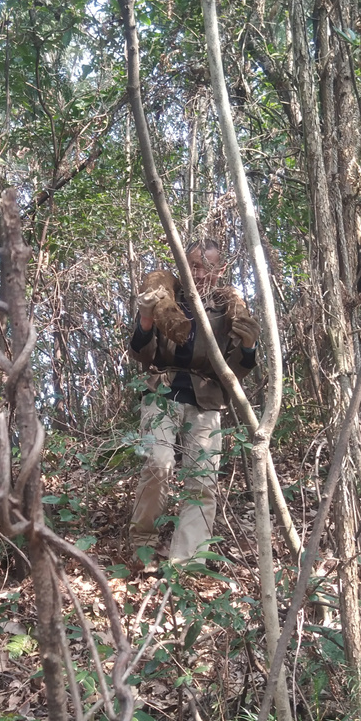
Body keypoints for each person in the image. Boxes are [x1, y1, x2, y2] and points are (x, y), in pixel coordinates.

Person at [128, 240, 260, 568]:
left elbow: (235, 369)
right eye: (192, 266)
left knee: (202, 481)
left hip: (206, 399)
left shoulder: (227, 308)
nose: (197, 273)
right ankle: (143, 545)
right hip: (163, 392)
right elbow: (142, 354)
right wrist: (146, 320)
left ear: (220, 270)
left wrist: (248, 346)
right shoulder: (168, 298)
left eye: (205, 266)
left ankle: (186, 561)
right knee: (158, 464)